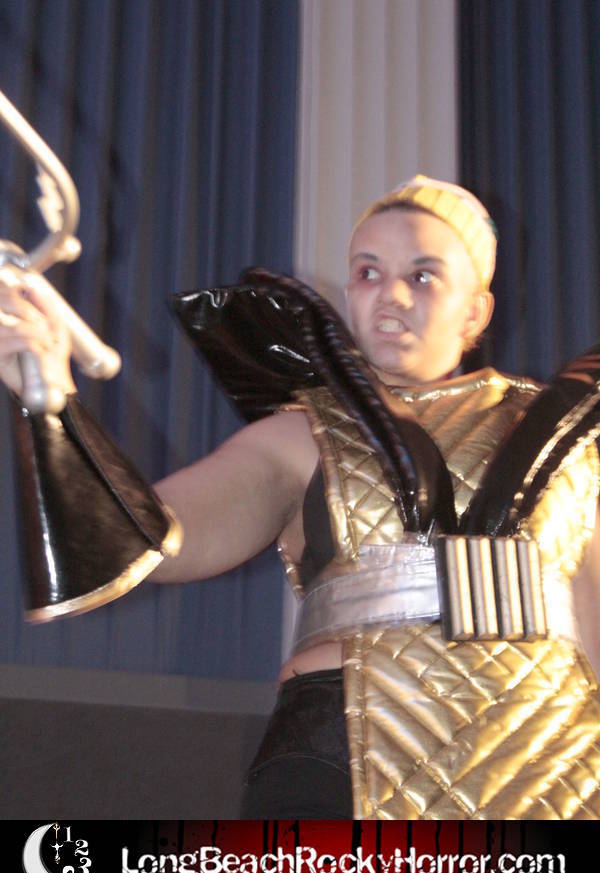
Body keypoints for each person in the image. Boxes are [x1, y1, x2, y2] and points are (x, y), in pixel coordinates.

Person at [1, 174, 600, 820]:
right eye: (368, 272)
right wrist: (49, 397)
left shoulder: (569, 440)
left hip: (550, 760)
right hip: (337, 755)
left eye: (423, 275)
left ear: (476, 311)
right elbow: (150, 538)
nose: (391, 294)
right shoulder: (304, 434)